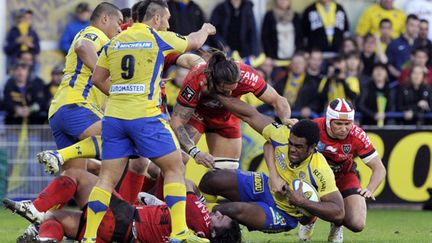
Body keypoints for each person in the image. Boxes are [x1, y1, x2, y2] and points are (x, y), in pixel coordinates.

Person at [85, 0, 216, 242]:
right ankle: (179, 233)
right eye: (166, 19)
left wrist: (121, 95)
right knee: (175, 166)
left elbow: (97, 79)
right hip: (145, 116)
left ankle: (89, 237)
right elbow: (195, 42)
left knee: (105, 178)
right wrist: (206, 29)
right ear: (156, 19)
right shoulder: (158, 37)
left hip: (114, 117)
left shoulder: (114, 41)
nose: (168, 23)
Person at [198, 93, 344, 234]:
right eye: (290, 144)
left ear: (312, 148)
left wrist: (302, 203)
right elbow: (250, 115)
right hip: (266, 186)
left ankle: (201, 224)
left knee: (230, 210)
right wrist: (216, 93)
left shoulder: (320, 169)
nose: (291, 150)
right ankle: (200, 218)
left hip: (284, 213)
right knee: (211, 179)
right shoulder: (282, 134)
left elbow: (338, 212)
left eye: (298, 147)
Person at [4, 165, 240, 243]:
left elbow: (184, 184)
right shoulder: (198, 231)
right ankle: (45, 238)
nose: (217, 213)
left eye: (221, 218)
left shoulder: (201, 217)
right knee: (56, 219)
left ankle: (36, 207)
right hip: (121, 235)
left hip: (124, 218)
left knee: (77, 173)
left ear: (217, 232)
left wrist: (172, 169)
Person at [37, 2, 123, 175]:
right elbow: (82, 46)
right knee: (121, 138)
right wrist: (102, 76)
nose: (120, 29)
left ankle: (36, 204)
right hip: (77, 105)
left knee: (77, 176)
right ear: (105, 18)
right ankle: (59, 155)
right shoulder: (95, 33)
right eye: (119, 22)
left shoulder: (101, 41)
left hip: (60, 109)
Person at [170, 51, 291, 170]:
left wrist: (285, 119)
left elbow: (278, 100)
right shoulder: (197, 76)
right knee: (176, 161)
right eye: (226, 90)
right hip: (197, 114)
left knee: (225, 171)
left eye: (234, 88)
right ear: (214, 81)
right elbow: (176, 122)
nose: (230, 93)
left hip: (226, 117)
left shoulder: (247, 75)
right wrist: (194, 152)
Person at [298, 98, 387, 242]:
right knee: (302, 216)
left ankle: (337, 224)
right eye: (338, 123)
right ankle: (310, 219)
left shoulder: (358, 135)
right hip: (315, 176)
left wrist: (370, 189)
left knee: (357, 224)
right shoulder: (313, 128)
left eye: (348, 124)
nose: (344, 128)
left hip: (344, 175)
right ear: (328, 121)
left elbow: (379, 168)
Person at [386, 14, 421, 80]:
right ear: (406, 25)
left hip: (417, 82)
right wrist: (401, 77)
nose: (415, 29)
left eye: (417, 26)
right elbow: (389, 65)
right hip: (398, 82)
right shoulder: (394, 44)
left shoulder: (420, 43)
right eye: (412, 25)